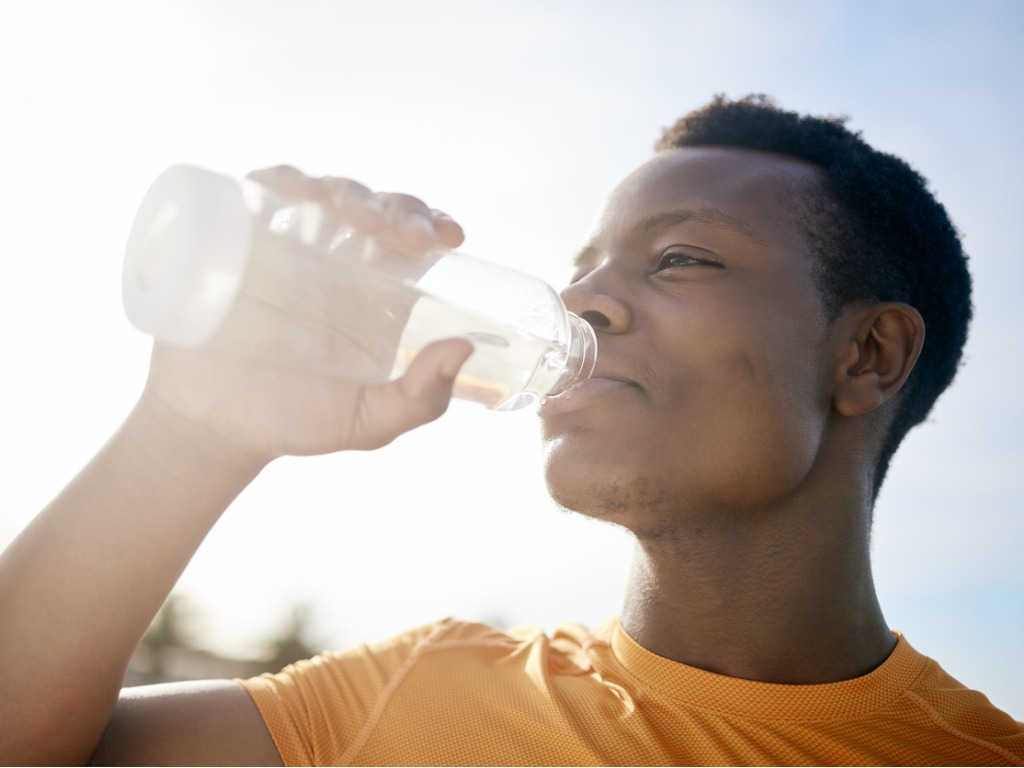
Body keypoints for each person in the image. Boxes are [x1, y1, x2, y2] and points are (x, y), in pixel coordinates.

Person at [1, 94, 1021, 766]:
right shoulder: (414, 702)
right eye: (586, 266)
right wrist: (188, 433)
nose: (584, 300)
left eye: (678, 260)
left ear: (867, 357)